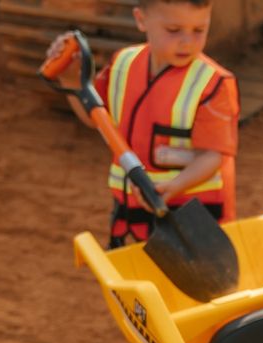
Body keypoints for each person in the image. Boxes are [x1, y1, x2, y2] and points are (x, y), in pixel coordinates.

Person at [47, 0, 239, 248]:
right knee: (133, 283)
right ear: (141, 20)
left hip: (191, 220)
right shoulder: (122, 64)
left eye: (199, 30)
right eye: (173, 30)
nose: (187, 41)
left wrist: (174, 186)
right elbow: (94, 118)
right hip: (130, 214)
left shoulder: (213, 84)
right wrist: (71, 80)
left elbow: (212, 157)